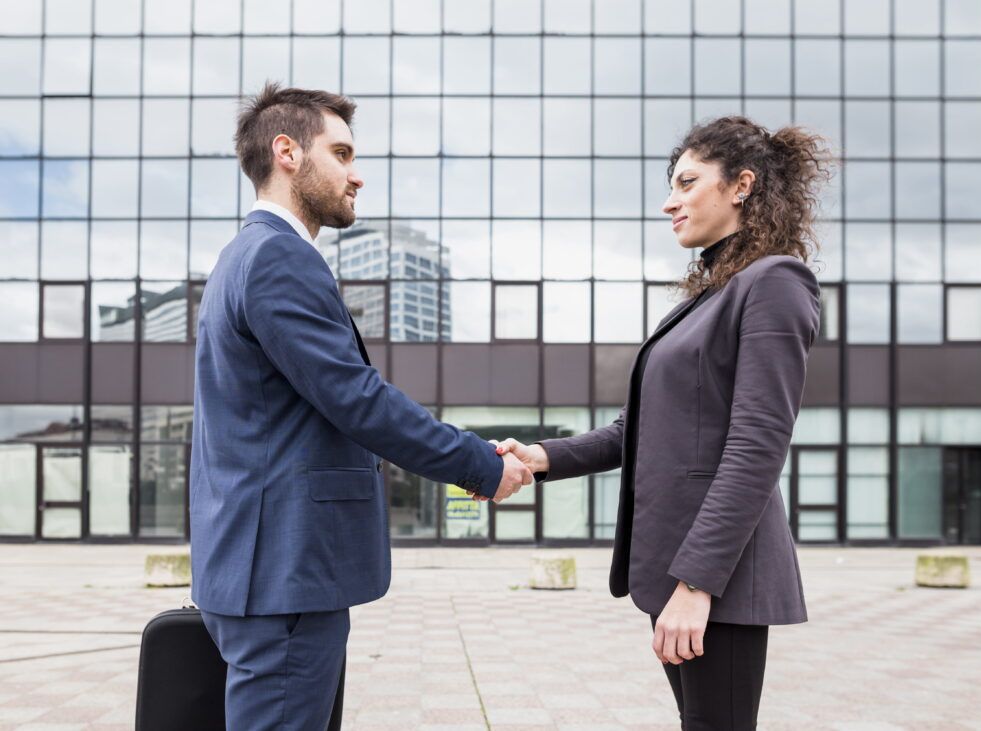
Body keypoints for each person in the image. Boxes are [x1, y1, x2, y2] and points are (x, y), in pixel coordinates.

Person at [189, 82, 532, 730]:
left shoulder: (241, 258)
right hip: (282, 579)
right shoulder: (276, 260)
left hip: (263, 572)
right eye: (341, 153)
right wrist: (479, 464)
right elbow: (357, 400)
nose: (356, 175)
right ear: (287, 152)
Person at [496, 116, 830, 730]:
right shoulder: (711, 294)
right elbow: (636, 431)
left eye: (685, 182)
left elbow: (757, 445)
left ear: (741, 186)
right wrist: (537, 456)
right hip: (680, 569)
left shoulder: (775, 282)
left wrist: (698, 584)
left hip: (714, 578)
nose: (668, 201)